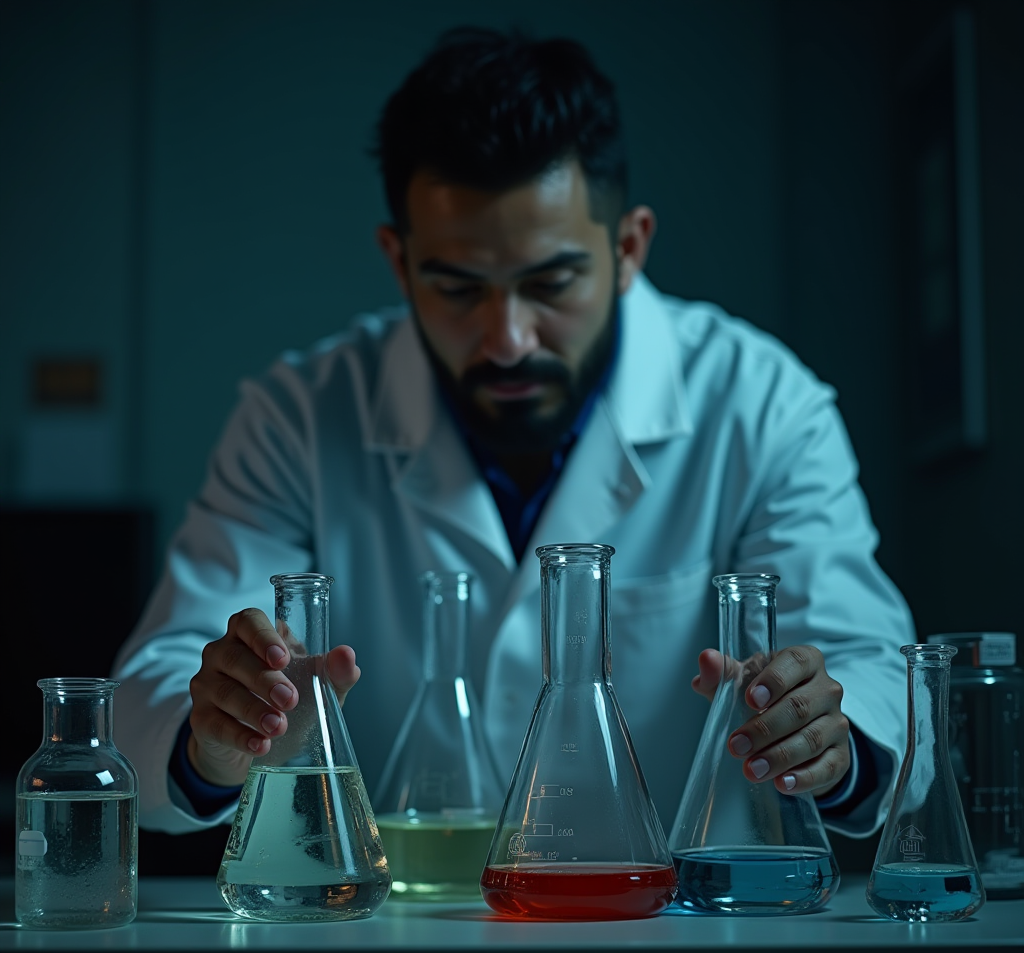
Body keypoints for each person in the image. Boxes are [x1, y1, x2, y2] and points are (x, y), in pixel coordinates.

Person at [113, 27, 913, 837]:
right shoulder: (296, 417)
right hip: (391, 934)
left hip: (674, 932)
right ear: (399, 262)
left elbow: (869, 671)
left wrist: (822, 738)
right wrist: (214, 739)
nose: (508, 339)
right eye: (458, 287)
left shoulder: (762, 402)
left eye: (550, 282)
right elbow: (160, 681)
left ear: (628, 246)